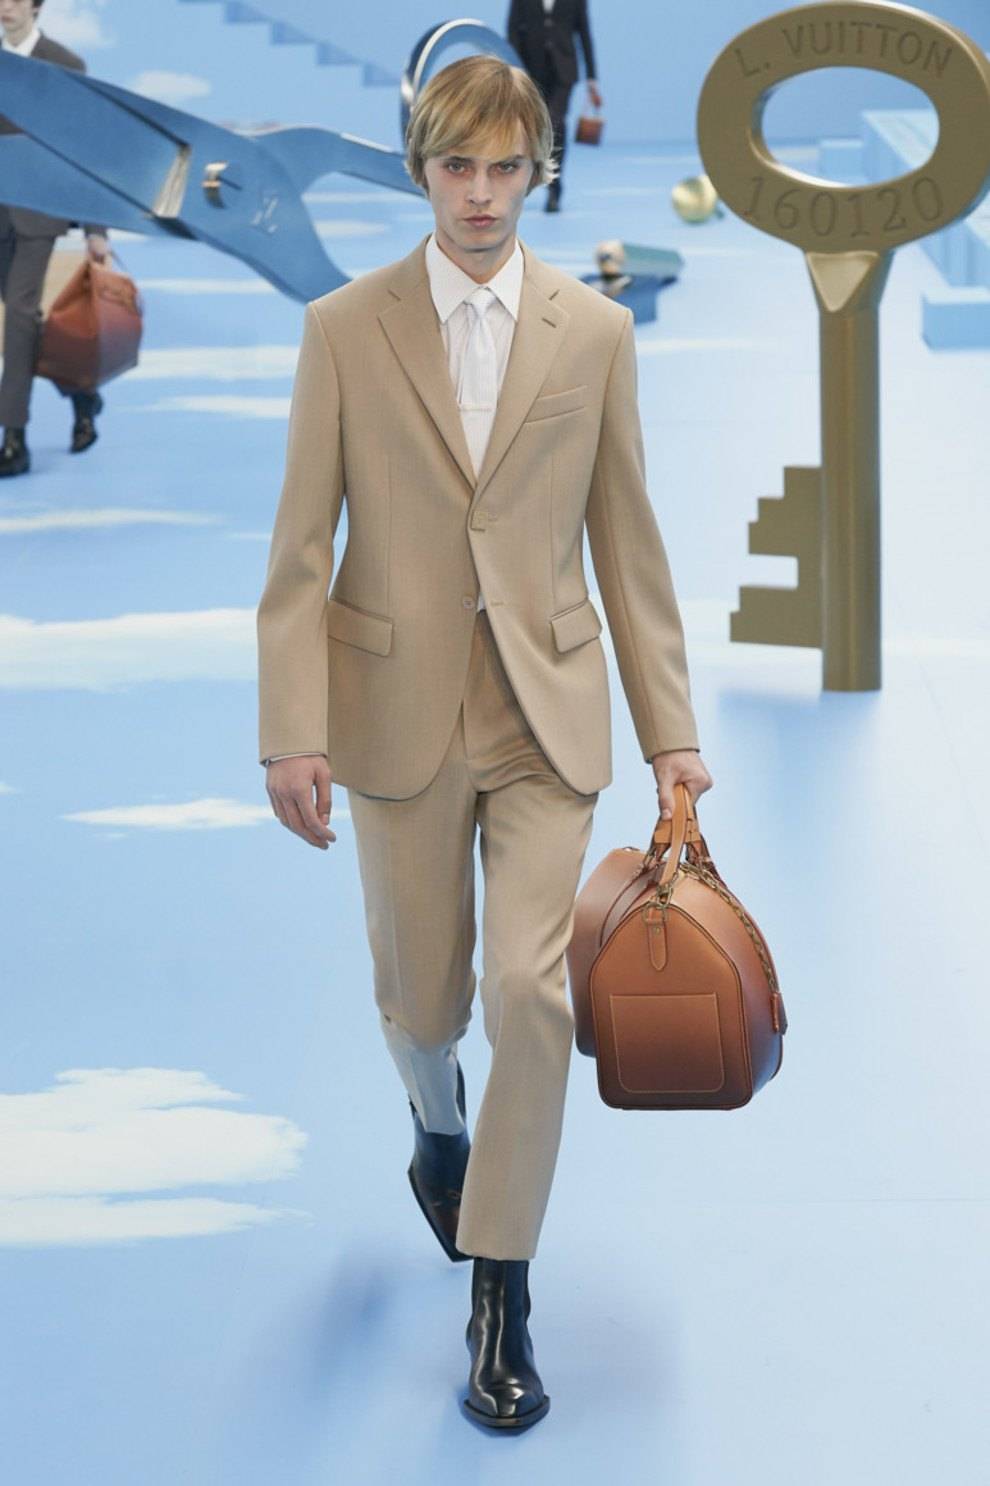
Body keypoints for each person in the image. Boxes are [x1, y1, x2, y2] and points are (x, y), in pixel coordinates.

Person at [257, 53, 712, 1431]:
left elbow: (628, 543)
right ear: (422, 170)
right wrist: (290, 730)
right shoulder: (344, 329)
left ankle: (500, 1289)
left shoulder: (594, 332)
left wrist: (671, 733)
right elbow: (298, 551)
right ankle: (437, 1121)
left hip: (543, 707)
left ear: (534, 175)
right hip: (391, 711)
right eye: (457, 166)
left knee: (531, 992)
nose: (480, 193)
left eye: (505, 168)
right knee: (423, 1003)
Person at [0, 0, 110, 478]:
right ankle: (83, 394)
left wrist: (96, 229)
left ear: (36, 6)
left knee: (19, 318)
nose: (5, 5)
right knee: (26, 324)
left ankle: (14, 439)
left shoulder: (65, 64)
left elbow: (85, 148)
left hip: (38, 213)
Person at [507, 0, 602, 212]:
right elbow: (513, 31)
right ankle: (524, 181)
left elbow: (584, 33)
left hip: (564, 70)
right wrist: (513, 69)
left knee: (555, 123)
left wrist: (592, 77)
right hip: (530, 70)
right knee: (530, 128)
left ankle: (554, 187)